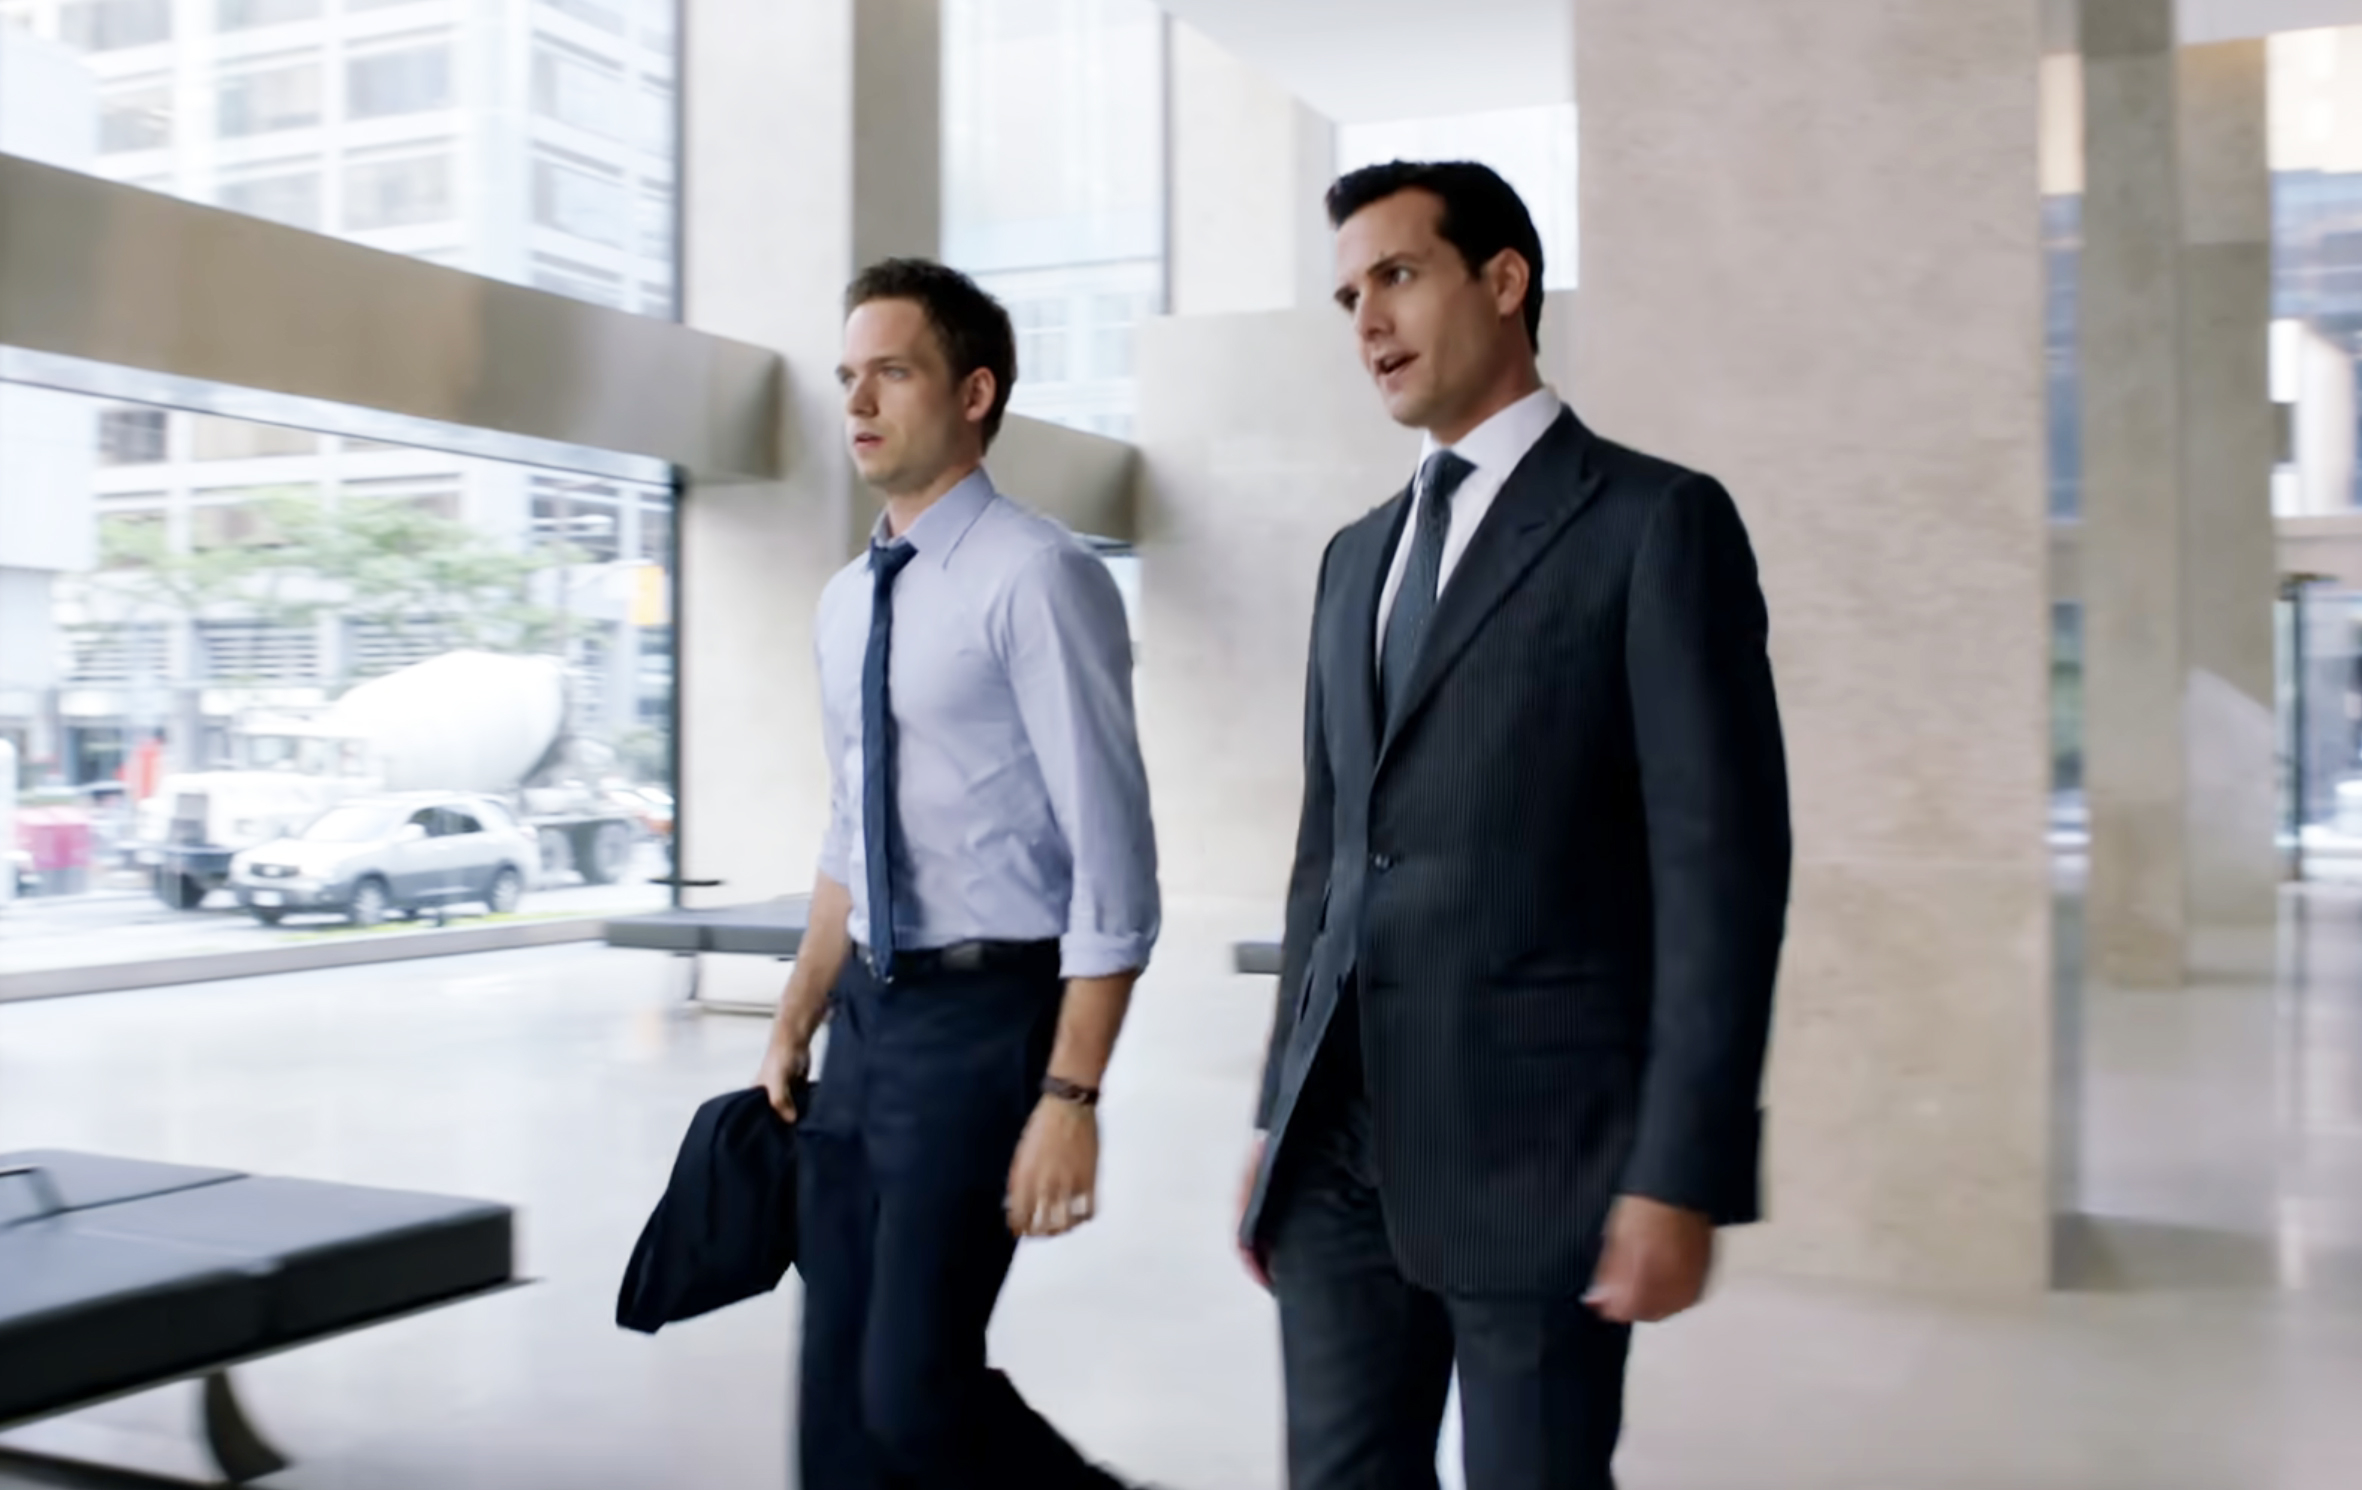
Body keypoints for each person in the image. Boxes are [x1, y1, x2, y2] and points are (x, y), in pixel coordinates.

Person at [1236, 161, 1793, 1490]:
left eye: (1397, 275)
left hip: (1543, 1158)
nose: (1366, 319)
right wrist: (1275, 1108)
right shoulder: (1352, 556)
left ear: (1502, 279)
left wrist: (1679, 1169)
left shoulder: (1655, 523)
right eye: (1345, 294)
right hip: (1335, 1160)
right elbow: (1327, 858)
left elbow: (1720, 873)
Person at [757, 258, 1159, 1489]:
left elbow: (1116, 856)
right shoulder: (843, 600)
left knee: (915, 1390)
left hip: (985, 1021)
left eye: (893, 369)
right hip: (867, 1026)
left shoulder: (1039, 577)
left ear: (974, 390)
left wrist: (1071, 1096)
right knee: (834, 1409)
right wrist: (797, 1011)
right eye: (846, 375)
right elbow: (849, 825)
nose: (859, 400)